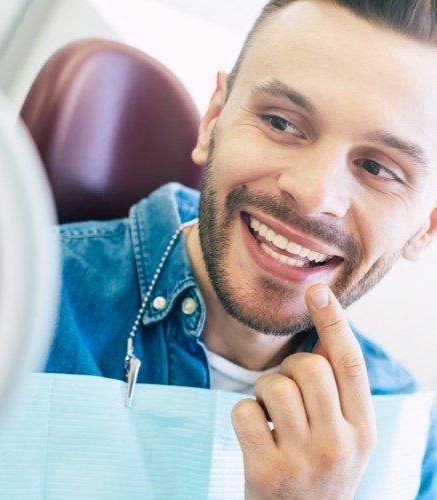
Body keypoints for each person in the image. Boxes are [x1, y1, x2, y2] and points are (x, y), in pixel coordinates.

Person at [45, 0, 437, 497]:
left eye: (378, 169)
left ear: (426, 228)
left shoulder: (411, 441)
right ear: (213, 120)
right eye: (281, 123)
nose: (314, 193)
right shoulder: (6, 299)